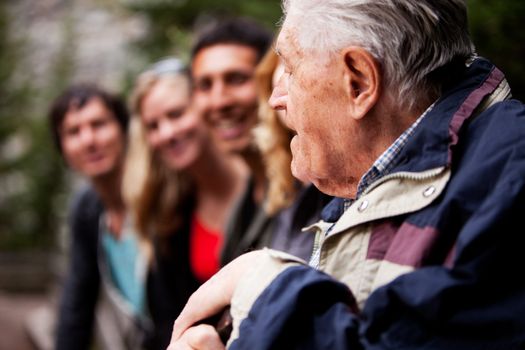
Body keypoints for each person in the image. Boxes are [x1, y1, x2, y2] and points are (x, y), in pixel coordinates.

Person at [168, 1, 525, 349]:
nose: (275, 98)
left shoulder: (508, 182)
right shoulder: (374, 180)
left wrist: (261, 285)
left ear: (359, 81)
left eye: (290, 69)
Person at [124, 58, 246, 349]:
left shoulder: (266, 184)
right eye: (153, 126)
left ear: (203, 106)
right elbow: (167, 320)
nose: (167, 133)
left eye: (176, 114)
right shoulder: (171, 214)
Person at [50, 84, 148, 350]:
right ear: (62, 148)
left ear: (123, 129)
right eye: (73, 132)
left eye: (99, 124)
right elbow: (77, 303)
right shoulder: (87, 209)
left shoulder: (156, 191)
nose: (88, 140)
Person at [190, 17, 275, 265]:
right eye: (205, 85)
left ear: (272, 80)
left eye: (236, 79)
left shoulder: (311, 188)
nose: (219, 102)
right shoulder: (242, 206)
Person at [253, 48, 332, 261]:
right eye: (283, 65)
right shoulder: (280, 184)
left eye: (291, 67)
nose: (276, 98)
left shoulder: (343, 184)